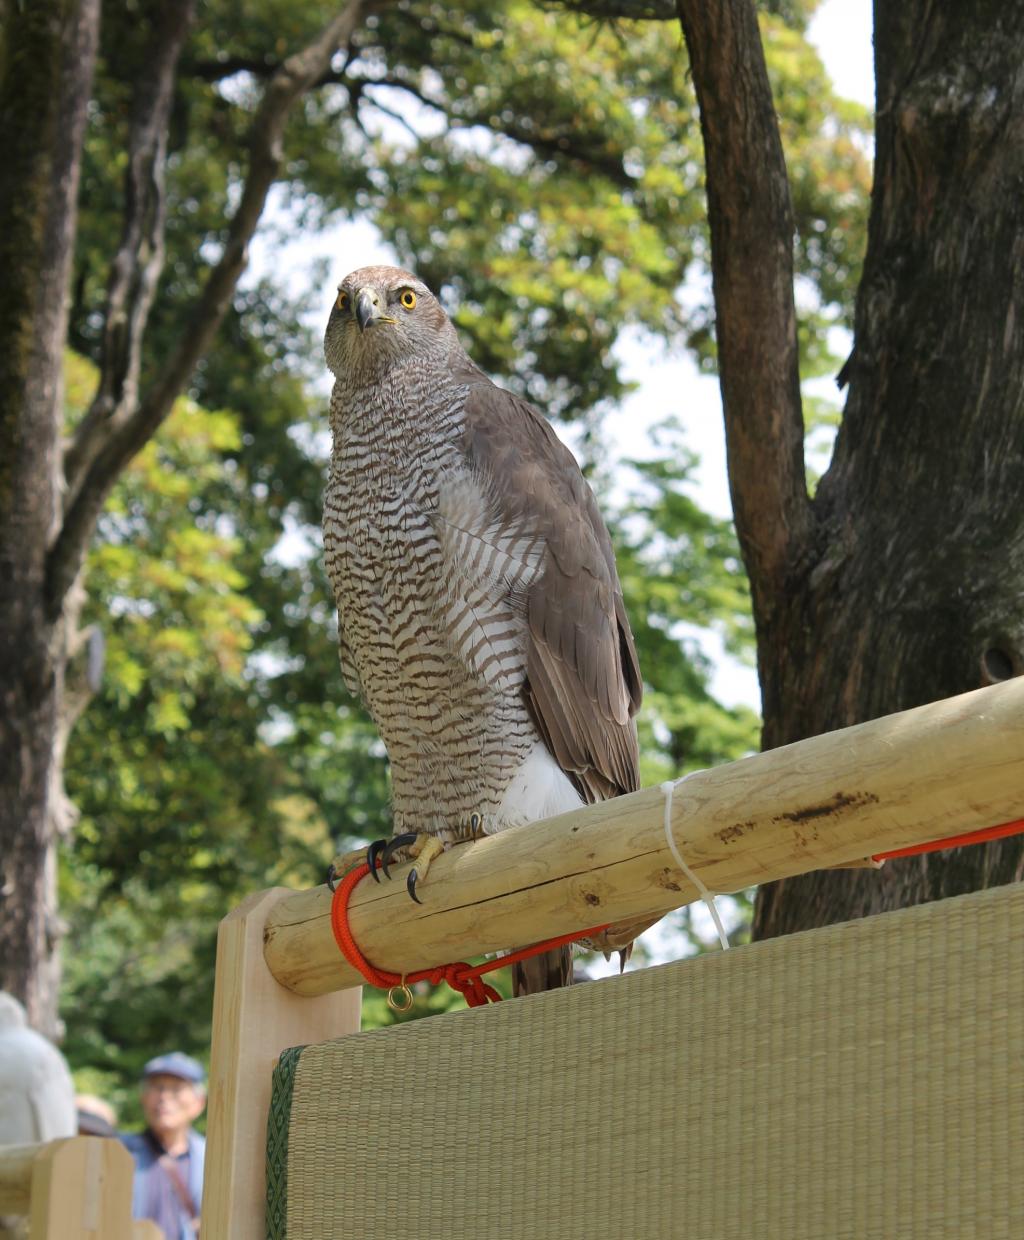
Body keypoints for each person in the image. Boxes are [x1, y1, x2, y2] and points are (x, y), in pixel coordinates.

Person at [121, 1052, 206, 1240]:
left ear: (199, 1103)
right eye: (157, 1087)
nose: (164, 1097)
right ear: (143, 1097)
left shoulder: (212, 1158)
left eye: (176, 1089)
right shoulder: (120, 1152)